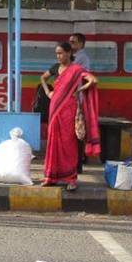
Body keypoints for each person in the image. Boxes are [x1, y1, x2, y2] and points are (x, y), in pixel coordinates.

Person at [42, 42, 99, 190]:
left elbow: (93, 80)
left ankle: (70, 178)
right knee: (53, 142)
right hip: (54, 108)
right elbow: (43, 78)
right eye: (57, 54)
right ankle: (51, 176)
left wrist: (79, 90)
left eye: (61, 53)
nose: (58, 56)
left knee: (69, 144)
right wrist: (48, 92)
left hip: (69, 110)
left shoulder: (76, 69)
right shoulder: (56, 67)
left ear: (68, 53)